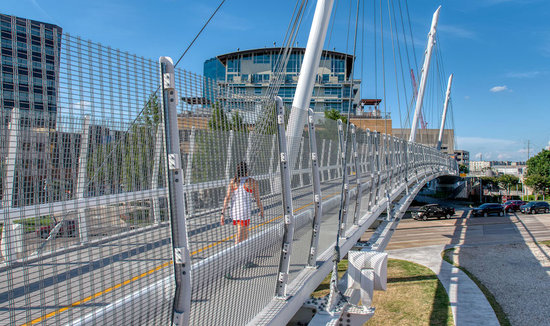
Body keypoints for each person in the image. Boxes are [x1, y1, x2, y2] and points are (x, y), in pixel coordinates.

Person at [221, 161, 264, 244]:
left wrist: (222, 213)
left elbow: (227, 198)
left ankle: (244, 252)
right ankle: (236, 253)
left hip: (235, 211)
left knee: (245, 233)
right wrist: (261, 210)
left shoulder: (233, 182)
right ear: (246, 171)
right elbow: (257, 199)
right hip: (244, 211)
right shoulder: (252, 182)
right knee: (241, 234)